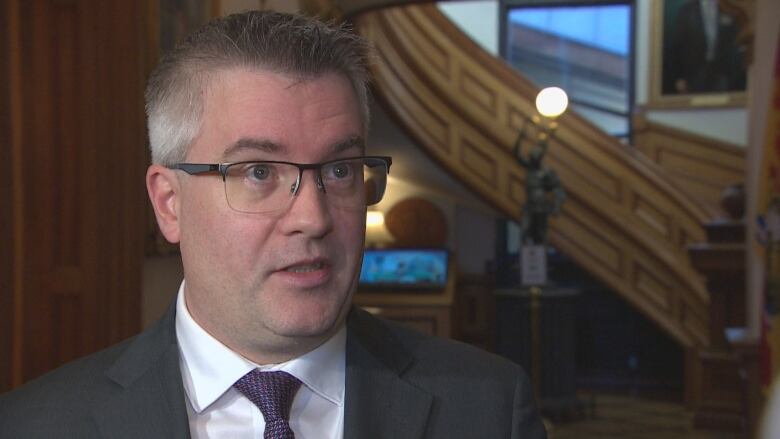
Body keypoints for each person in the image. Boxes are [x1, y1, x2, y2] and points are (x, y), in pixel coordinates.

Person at [0, 10, 546, 439]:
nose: (312, 217)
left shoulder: (489, 407)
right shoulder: (35, 426)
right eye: (258, 171)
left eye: (338, 170)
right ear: (169, 204)